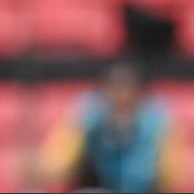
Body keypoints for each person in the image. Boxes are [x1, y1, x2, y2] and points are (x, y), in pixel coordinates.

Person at [32, 60, 182, 193]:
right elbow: (59, 162)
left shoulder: (159, 121)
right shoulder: (89, 116)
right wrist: (41, 168)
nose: (121, 95)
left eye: (127, 87)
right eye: (114, 87)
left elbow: (170, 178)